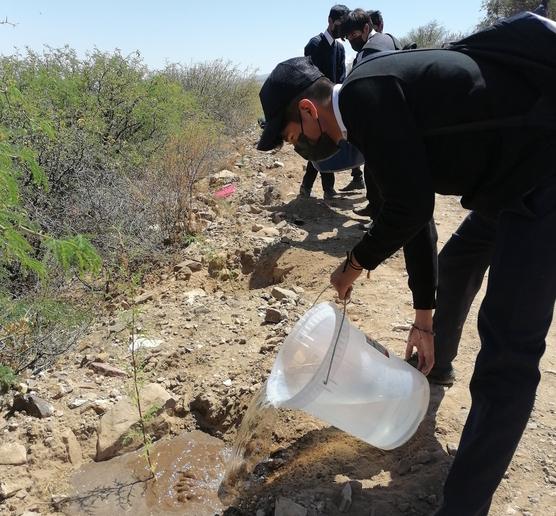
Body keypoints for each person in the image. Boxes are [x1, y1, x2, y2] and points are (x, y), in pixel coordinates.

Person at [256, 12, 556, 514]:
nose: (301, 150)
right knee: (459, 261)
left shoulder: (369, 97)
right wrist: (423, 319)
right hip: (507, 177)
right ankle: (436, 366)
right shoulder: (370, 106)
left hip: (542, 178)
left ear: (309, 111)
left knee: (507, 353)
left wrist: (352, 263)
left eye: (293, 138)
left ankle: (463, 505)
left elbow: (408, 211)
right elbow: (414, 217)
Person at [301, 4, 364, 199]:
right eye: (339, 25)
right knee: (320, 145)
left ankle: (312, 188)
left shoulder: (339, 48)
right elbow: (309, 77)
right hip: (315, 107)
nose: (342, 31)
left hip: (333, 106)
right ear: (330, 21)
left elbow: (341, 78)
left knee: (328, 145)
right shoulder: (314, 44)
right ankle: (320, 188)